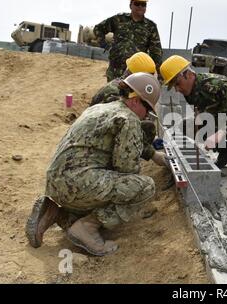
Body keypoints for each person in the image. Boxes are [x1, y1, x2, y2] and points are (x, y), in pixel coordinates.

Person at [26, 73, 161, 256]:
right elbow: (127, 169)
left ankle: (58, 213)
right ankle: (88, 228)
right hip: (77, 183)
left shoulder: (99, 108)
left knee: (105, 184)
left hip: (56, 182)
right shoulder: (128, 119)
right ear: (136, 100)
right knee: (144, 187)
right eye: (148, 110)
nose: (146, 116)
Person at [160, 55, 227, 178]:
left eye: (177, 84)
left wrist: (219, 134)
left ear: (187, 74)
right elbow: (202, 114)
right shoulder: (190, 91)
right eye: (174, 86)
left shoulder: (219, 85)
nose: (177, 89)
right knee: (188, 125)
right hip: (223, 118)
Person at [90, 52, 167, 167]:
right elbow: (127, 128)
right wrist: (153, 154)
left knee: (148, 128)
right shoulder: (114, 93)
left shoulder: (123, 87)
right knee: (147, 128)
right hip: (95, 147)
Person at [94, 0, 163, 82]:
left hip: (135, 74)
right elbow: (98, 29)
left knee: (132, 96)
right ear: (130, 5)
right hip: (115, 70)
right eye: (137, 3)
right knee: (113, 95)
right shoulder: (119, 19)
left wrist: (157, 76)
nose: (140, 7)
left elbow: (156, 53)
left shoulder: (151, 27)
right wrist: (105, 45)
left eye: (143, 4)